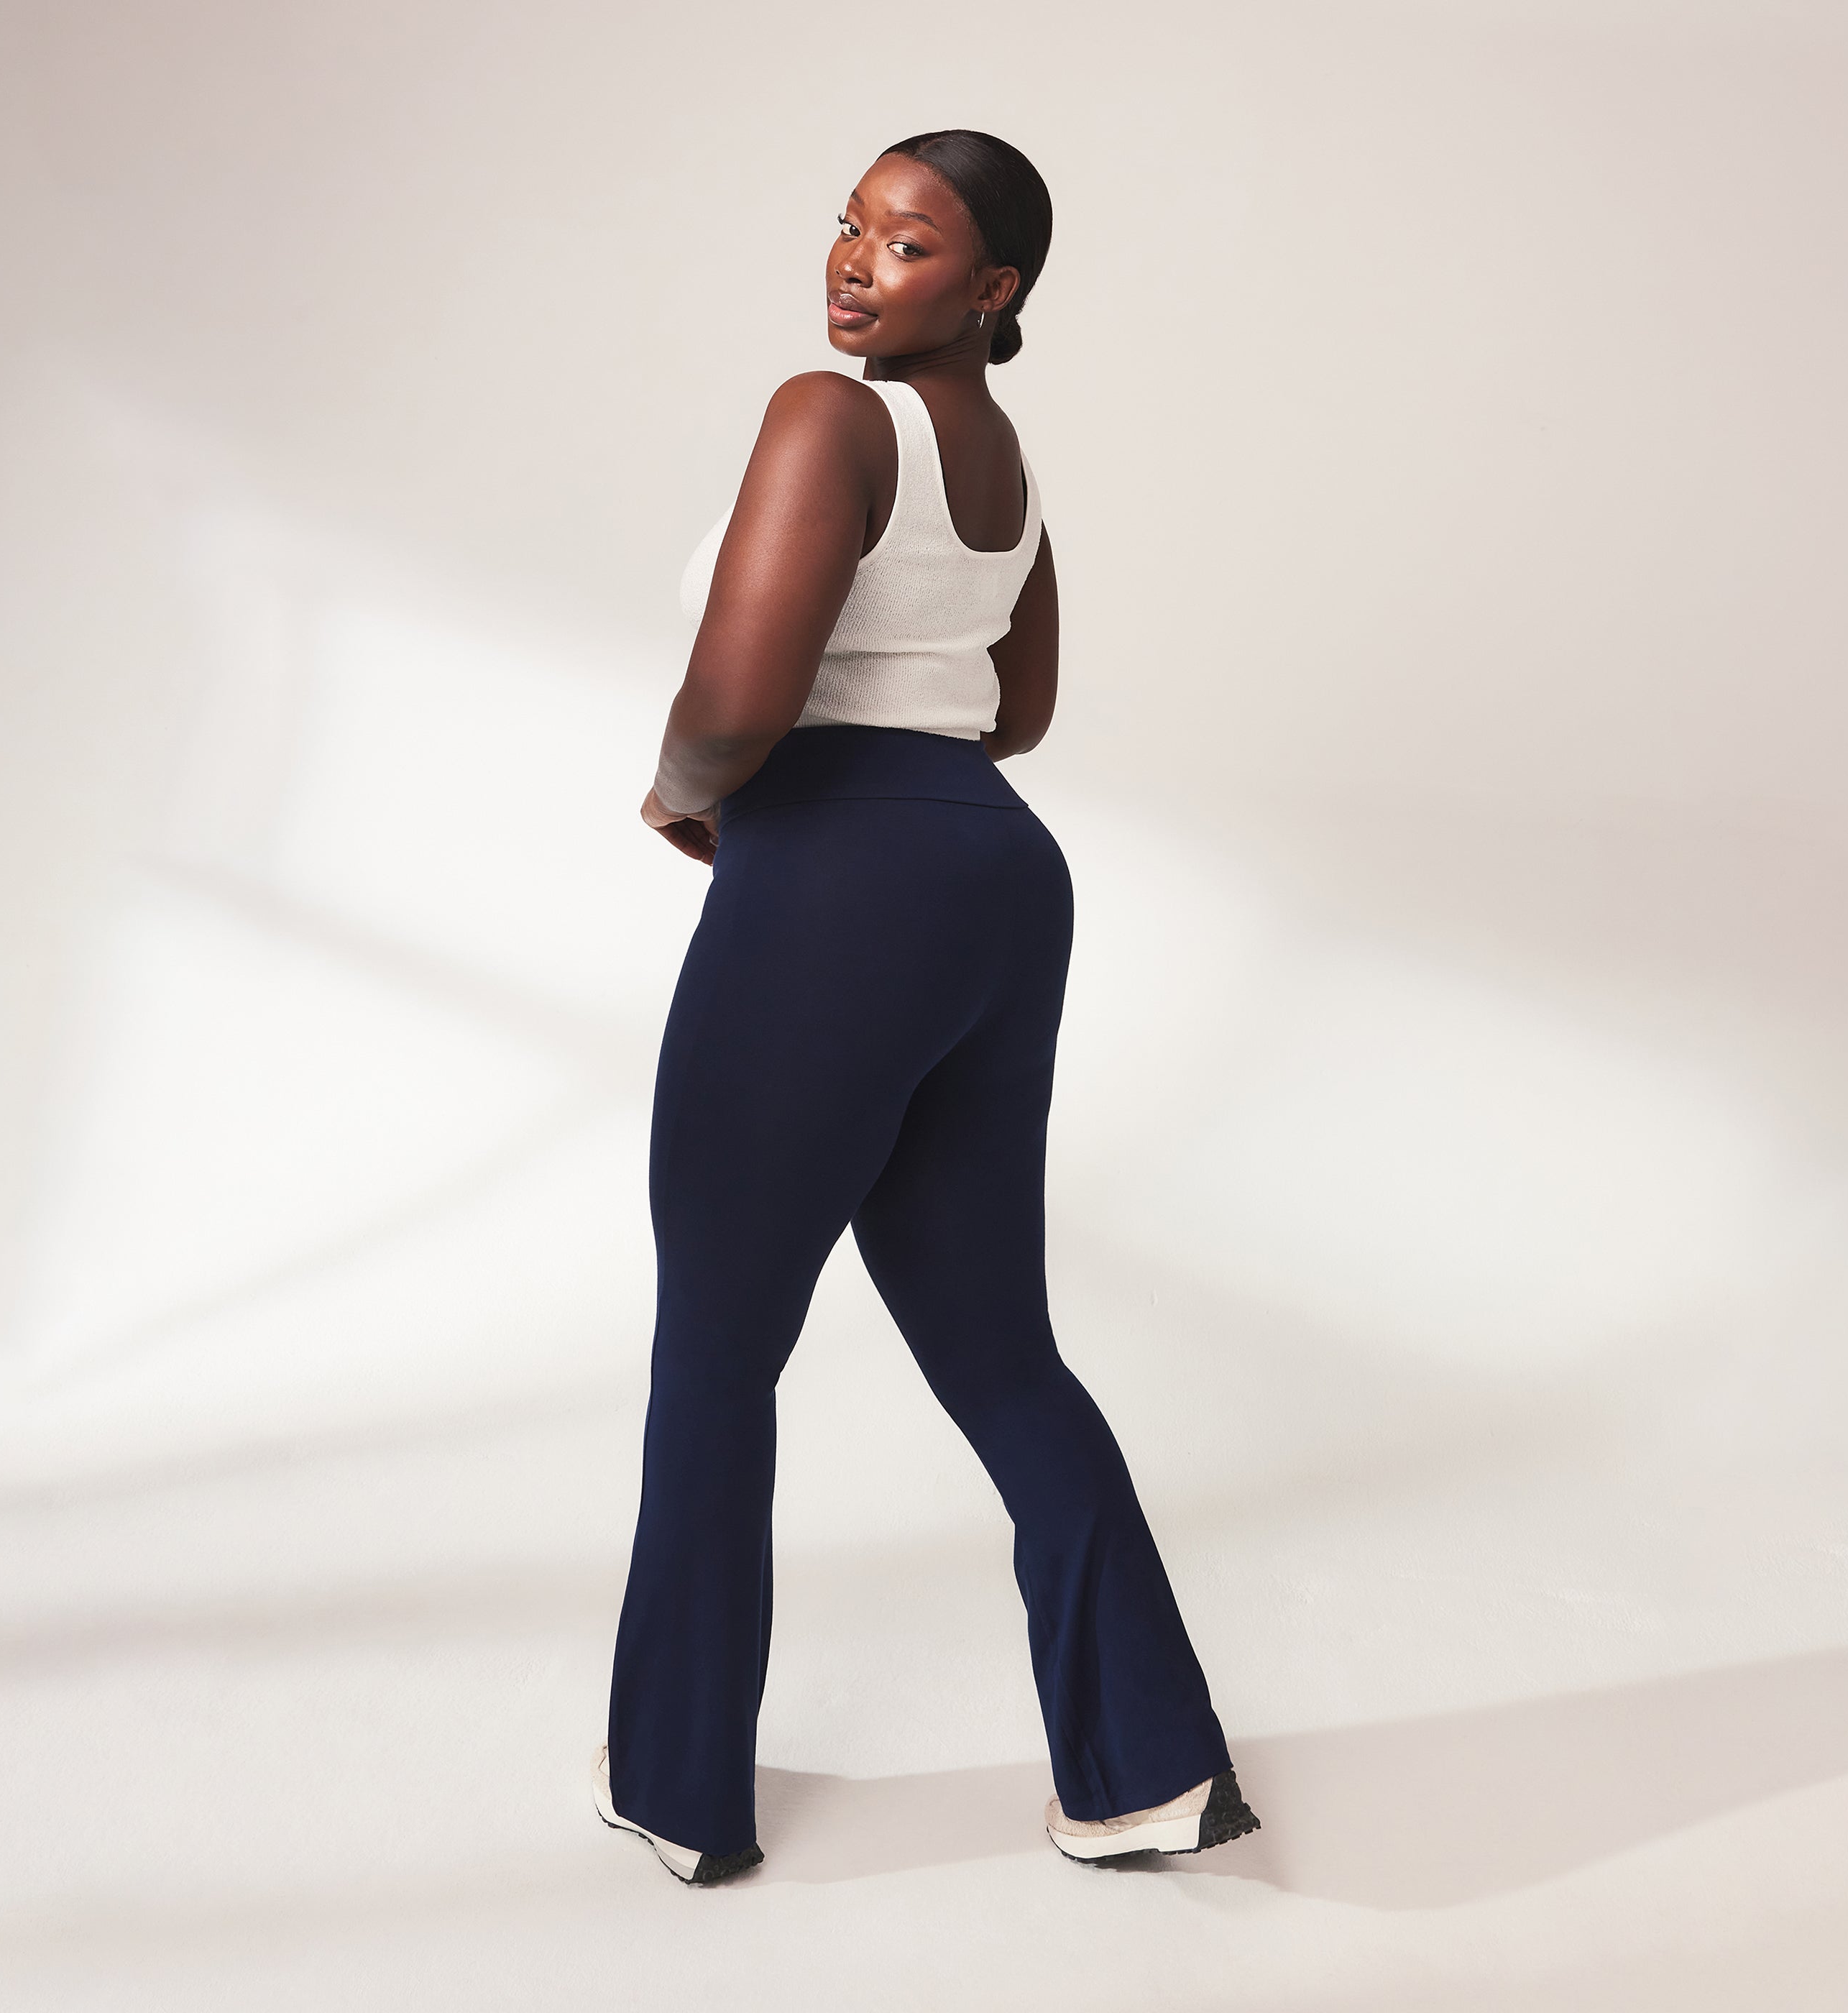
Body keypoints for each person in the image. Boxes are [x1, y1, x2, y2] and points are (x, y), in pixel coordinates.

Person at [592, 129, 1257, 1885]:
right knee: (999, 1349)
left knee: (716, 1346)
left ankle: (676, 1788)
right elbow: (1014, 711)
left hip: (833, 884)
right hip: (991, 878)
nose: (851, 261)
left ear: (990, 286)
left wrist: (682, 793)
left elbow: (735, 698)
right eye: (847, 227)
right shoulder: (1002, 462)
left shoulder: (828, 418)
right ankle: (1145, 1768)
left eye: (902, 243)